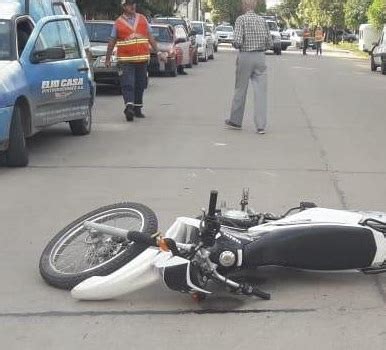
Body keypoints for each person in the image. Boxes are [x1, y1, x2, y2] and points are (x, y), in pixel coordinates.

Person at [105, 0, 164, 121]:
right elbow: (112, 42)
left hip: (142, 59)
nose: (132, 6)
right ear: (124, 6)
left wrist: (158, 51)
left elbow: (150, 37)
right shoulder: (118, 23)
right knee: (128, 84)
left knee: (140, 84)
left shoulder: (142, 19)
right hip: (126, 60)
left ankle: (137, 108)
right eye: (129, 4)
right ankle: (129, 108)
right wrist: (107, 58)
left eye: (133, 4)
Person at [224, 0, 272, 134]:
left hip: (245, 56)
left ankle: (236, 121)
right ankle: (261, 126)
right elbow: (270, 43)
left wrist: (234, 43)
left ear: (244, 5)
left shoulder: (241, 19)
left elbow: (238, 41)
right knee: (261, 93)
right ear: (255, 5)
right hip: (260, 57)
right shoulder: (262, 20)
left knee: (240, 89)